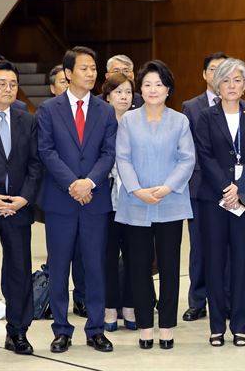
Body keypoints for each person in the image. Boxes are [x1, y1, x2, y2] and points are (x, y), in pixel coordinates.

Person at [37, 46, 117, 353]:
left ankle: (95, 328)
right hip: (61, 201)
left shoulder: (105, 110)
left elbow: (108, 153)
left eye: (94, 68)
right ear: (68, 73)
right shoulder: (48, 109)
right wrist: (73, 183)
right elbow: (46, 152)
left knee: (95, 266)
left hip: (95, 201)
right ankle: (62, 330)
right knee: (59, 267)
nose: (91, 73)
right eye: (84, 68)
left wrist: (89, 182)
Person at [115, 60, 194, 350]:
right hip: (135, 204)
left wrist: (166, 187)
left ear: (168, 89)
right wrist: (136, 189)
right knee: (138, 267)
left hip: (170, 201)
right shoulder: (129, 121)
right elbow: (122, 158)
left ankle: (167, 328)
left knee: (171, 267)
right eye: (147, 84)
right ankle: (145, 327)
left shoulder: (180, 121)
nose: (152, 89)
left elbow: (187, 158)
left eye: (158, 84)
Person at [194, 58, 245, 347]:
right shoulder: (205, 117)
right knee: (214, 262)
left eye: (238, 80)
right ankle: (216, 326)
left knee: (241, 261)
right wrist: (226, 187)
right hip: (213, 199)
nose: (232, 85)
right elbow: (204, 154)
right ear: (216, 85)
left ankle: (239, 325)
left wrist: (240, 188)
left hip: (243, 200)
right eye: (226, 80)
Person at [0, 61, 42, 356]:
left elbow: (36, 164)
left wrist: (24, 198)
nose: (8, 89)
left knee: (19, 272)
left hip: (19, 208)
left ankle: (18, 332)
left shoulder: (27, 119)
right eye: (2, 83)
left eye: (12, 84)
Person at [181, 51, 228, 322]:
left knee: (229, 248)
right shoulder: (191, 106)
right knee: (199, 247)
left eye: (224, 69)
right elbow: (189, 148)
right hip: (200, 187)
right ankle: (197, 300)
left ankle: (227, 299)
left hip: (230, 189)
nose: (218, 74)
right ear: (204, 75)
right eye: (213, 69)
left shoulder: (241, 105)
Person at [100, 73, 137, 332]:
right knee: (109, 256)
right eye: (118, 92)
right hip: (107, 200)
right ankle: (110, 307)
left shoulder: (140, 121)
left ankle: (131, 306)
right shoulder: (100, 121)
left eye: (127, 92)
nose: (123, 96)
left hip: (136, 199)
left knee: (136, 256)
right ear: (108, 96)